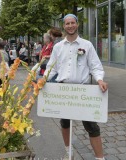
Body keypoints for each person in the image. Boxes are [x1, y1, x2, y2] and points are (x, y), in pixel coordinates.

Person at [44, 14, 108, 160]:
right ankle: (69, 153)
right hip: (64, 90)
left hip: (83, 91)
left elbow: (95, 66)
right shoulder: (58, 47)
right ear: (64, 26)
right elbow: (51, 68)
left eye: (73, 23)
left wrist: (100, 80)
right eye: (67, 23)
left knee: (92, 126)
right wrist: (43, 79)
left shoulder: (87, 45)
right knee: (65, 123)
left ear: (77, 24)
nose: (70, 26)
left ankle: (100, 158)